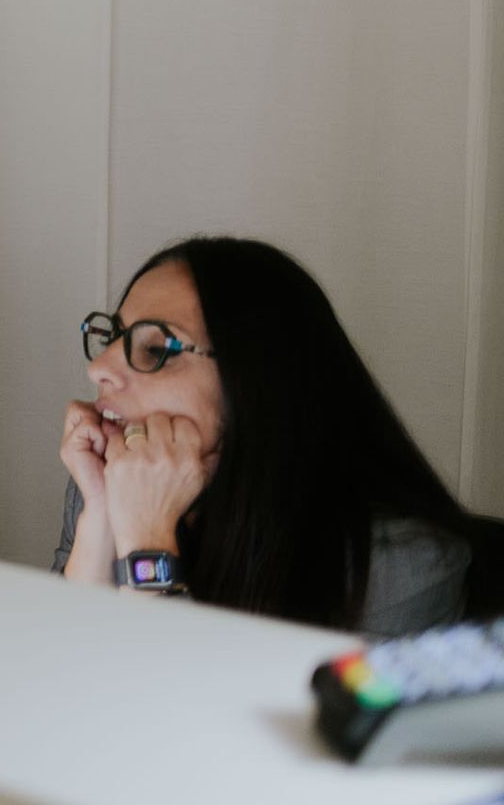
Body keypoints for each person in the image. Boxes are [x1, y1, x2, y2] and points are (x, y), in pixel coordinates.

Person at [55, 236, 498, 635]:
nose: (100, 368)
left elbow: (191, 719)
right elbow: (56, 686)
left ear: (253, 383)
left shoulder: (401, 567)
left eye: (155, 349)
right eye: (112, 337)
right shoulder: (112, 483)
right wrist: (99, 512)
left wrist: (148, 542)